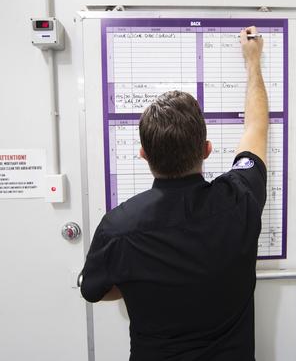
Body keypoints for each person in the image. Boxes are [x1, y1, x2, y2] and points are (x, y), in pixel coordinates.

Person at [81, 26, 269, 361]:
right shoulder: (240, 199)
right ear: (207, 149)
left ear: (143, 154)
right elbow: (255, 129)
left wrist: (141, 279)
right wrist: (253, 63)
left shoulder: (118, 229)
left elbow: (94, 291)